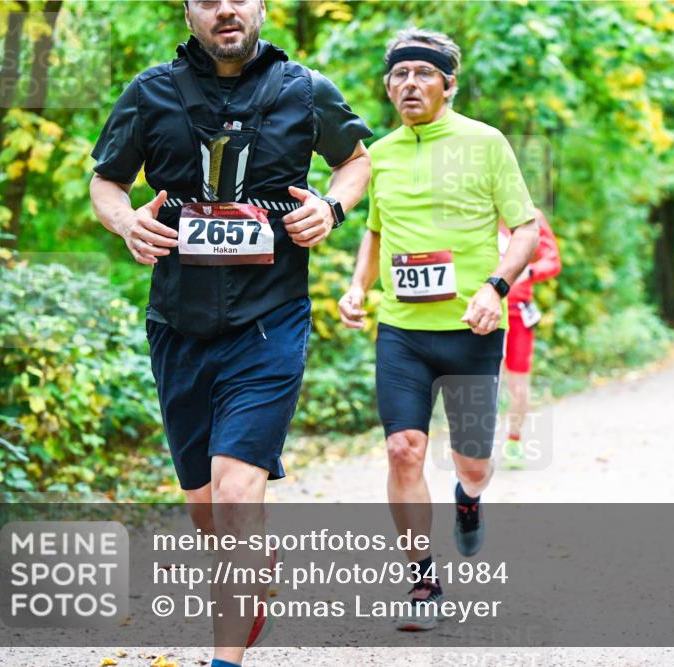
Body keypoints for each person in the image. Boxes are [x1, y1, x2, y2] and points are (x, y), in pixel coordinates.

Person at [89, 0, 372, 663]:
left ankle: (224, 658)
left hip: (269, 321)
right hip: (178, 325)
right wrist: (126, 221)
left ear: (262, 7)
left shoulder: (305, 89)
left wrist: (331, 209)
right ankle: (255, 560)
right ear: (188, 11)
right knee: (208, 509)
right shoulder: (150, 91)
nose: (226, 10)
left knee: (237, 487)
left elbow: (356, 160)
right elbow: (106, 182)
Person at [337, 28, 538, 631]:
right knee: (404, 449)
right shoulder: (380, 155)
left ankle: (469, 500)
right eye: (399, 75)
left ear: (448, 85)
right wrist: (358, 287)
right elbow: (374, 230)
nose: (410, 84)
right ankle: (422, 577)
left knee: (471, 463)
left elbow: (524, 230)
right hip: (402, 330)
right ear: (387, 86)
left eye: (424, 74)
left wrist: (493, 288)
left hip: (472, 329)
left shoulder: (486, 143)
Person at [498, 209, 561, 469]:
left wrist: (531, 272)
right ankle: (474, 444)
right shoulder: (475, 210)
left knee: (518, 385)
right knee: (483, 380)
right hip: (480, 311)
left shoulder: (529, 214)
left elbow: (553, 260)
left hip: (517, 312)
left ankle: (514, 440)